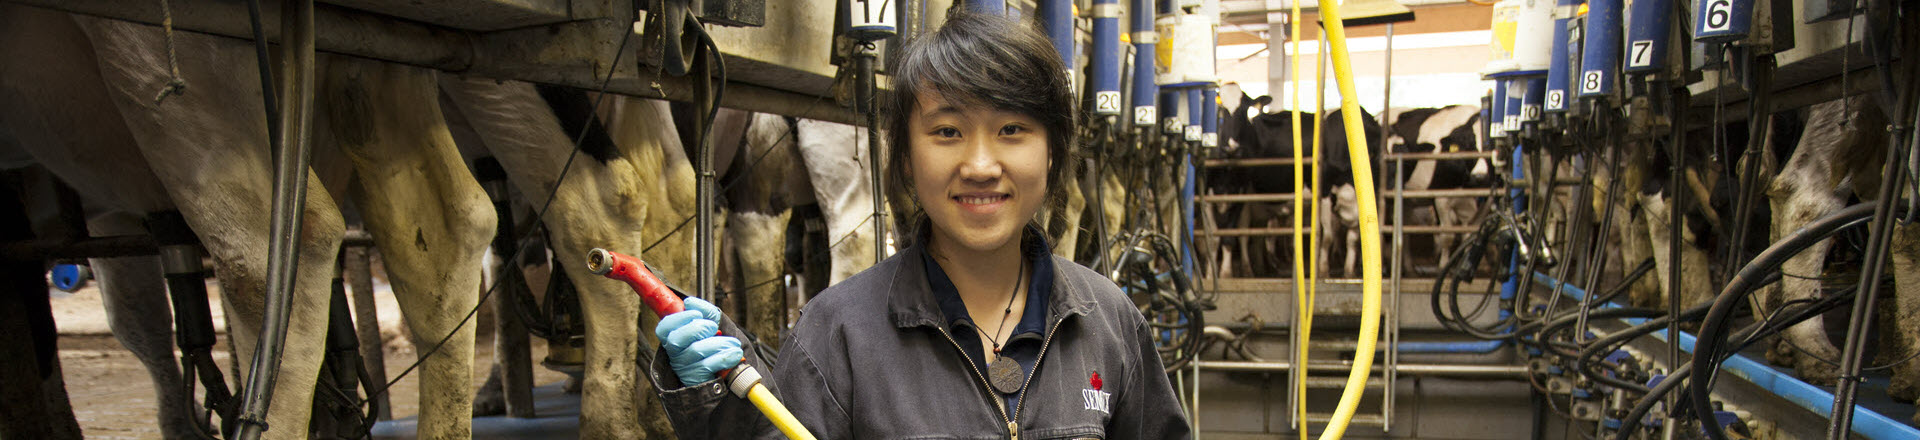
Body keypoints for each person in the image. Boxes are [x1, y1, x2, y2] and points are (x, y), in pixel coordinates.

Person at [648, 12, 1192, 439]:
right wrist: (716, 411)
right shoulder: (837, 333)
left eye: (1011, 129)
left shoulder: (1108, 322)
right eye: (948, 131)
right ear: (906, 158)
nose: (980, 166)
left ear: (1051, 153)